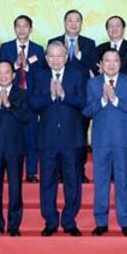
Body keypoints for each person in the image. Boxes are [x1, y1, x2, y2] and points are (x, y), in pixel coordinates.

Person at [30, 42, 85, 237]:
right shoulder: (39, 76)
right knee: (47, 182)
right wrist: (51, 97)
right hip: (48, 139)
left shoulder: (76, 75)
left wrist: (64, 95)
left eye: (59, 56)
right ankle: (51, 221)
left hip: (72, 138)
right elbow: (33, 103)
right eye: (51, 56)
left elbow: (83, 102)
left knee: (72, 182)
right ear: (46, 58)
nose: (55, 60)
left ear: (66, 57)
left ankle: (69, 221)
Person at [83, 49, 127, 236]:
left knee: (123, 182)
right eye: (107, 61)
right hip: (101, 141)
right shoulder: (93, 83)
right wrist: (102, 100)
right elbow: (87, 110)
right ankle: (101, 222)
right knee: (101, 182)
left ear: (120, 63)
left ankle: (125, 222)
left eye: (115, 60)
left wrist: (115, 100)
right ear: (101, 63)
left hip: (123, 141)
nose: (111, 64)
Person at [0, 61, 31, 237]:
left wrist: (9, 105)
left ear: (13, 75)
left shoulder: (21, 94)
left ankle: (14, 225)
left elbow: (26, 117)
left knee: (15, 188)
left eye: (7, 72)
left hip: (15, 148)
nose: (3, 76)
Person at [49, 9, 98, 183]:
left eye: (77, 20)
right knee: (58, 136)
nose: (73, 23)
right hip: (57, 98)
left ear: (81, 24)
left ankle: (79, 171)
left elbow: (94, 70)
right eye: (70, 20)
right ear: (64, 23)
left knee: (79, 136)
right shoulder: (53, 42)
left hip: (79, 98)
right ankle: (59, 172)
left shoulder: (89, 44)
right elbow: (49, 66)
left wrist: (78, 56)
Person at [0, 15, 45, 183]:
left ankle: (31, 172)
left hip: (30, 99)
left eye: (25, 26)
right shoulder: (6, 48)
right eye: (19, 26)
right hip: (10, 98)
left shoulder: (38, 49)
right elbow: (0, 70)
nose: (22, 29)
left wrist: (27, 65)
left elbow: (42, 74)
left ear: (30, 29)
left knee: (31, 136)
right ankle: (11, 172)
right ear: (14, 28)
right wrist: (16, 65)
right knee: (10, 137)